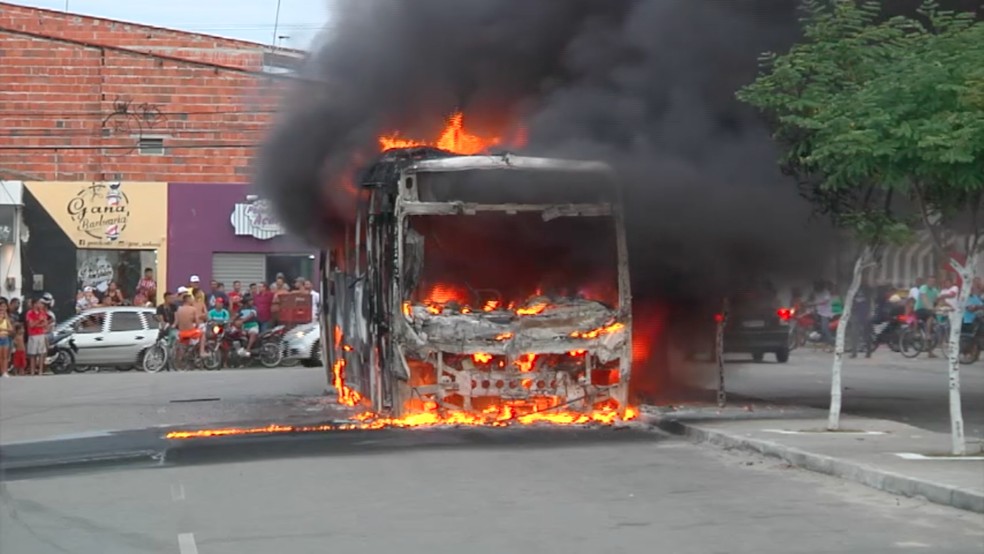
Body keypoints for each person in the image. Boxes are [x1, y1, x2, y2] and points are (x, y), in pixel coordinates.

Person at [175, 292, 205, 358]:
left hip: (181, 333)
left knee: (182, 344)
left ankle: (180, 359)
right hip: (190, 332)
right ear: (188, 300)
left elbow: (176, 322)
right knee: (202, 334)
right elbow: (197, 323)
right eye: (191, 299)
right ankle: (201, 352)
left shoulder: (179, 309)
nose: (192, 301)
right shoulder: (193, 309)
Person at [26, 298, 49, 376]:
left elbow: (45, 324)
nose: (40, 305)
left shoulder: (42, 313)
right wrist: (39, 321)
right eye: (38, 303)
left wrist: (38, 324)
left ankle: (40, 370)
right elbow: (31, 325)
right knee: (33, 354)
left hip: (41, 334)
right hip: (33, 335)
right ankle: (32, 370)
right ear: (34, 304)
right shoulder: (29, 313)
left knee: (41, 353)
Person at [811, 280, 834, 345]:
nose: (815, 287)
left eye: (817, 285)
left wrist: (815, 304)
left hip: (826, 313)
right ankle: (820, 339)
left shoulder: (826, 292)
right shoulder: (816, 292)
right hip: (819, 312)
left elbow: (825, 301)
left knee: (824, 328)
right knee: (817, 326)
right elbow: (811, 299)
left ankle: (831, 342)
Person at [0, 300, 12, 377]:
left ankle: (5, 371)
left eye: (5, 306)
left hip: (6, 337)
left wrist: (6, 317)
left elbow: (10, 329)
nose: (3, 308)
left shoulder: (7, 317)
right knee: (0, 356)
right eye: (1, 306)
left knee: (5, 356)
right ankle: (1, 371)